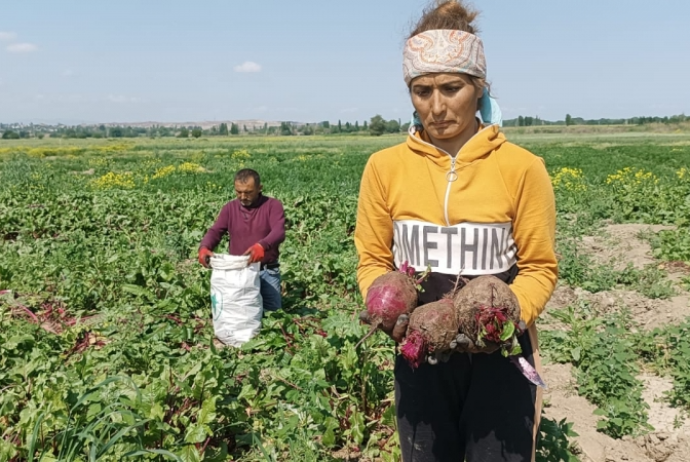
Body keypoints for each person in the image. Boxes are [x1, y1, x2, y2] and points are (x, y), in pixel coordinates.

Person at [355, 1, 558, 461]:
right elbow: (371, 259)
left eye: (452, 88)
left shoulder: (522, 168)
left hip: (501, 357)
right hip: (418, 351)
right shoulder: (384, 168)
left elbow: (540, 268)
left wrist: (506, 319)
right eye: (422, 90)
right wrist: (387, 307)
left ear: (479, 86)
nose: (437, 105)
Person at [199, 168, 285, 312]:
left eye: (248, 192)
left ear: (259, 188)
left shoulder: (272, 206)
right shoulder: (229, 209)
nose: (243, 196)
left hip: (266, 271)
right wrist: (204, 247)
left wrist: (262, 246)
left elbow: (279, 231)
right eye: (239, 192)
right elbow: (216, 231)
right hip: (239, 272)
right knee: (239, 313)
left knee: (273, 315)